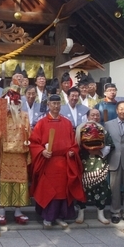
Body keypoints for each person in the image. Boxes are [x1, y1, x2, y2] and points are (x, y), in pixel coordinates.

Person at [29, 94, 85, 227]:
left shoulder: (67, 123)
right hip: (48, 162)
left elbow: (74, 143)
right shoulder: (41, 123)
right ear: (48, 105)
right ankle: (48, 217)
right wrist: (42, 151)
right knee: (49, 189)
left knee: (62, 191)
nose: (56, 106)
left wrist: (72, 151)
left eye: (58, 104)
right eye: (53, 104)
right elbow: (34, 143)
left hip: (64, 162)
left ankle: (60, 216)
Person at [0, 86, 31, 225]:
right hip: (6, 154)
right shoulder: (0, 115)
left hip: (20, 154)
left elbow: (28, 132)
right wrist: (2, 115)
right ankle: (2, 212)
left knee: (20, 183)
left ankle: (18, 211)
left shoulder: (25, 115)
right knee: (4, 183)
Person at [75, 110, 113, 225]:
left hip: (99, 162)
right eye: (92, 115)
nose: (95, 117)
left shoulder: (103, 129)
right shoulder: (81, 128)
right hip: (84, 162)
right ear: (87, 116)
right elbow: (76, 145)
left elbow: (110, 145)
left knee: (102, 188)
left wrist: (98, 152)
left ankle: (100, 213)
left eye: (97, 115)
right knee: (83, 188)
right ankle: (81, 212)